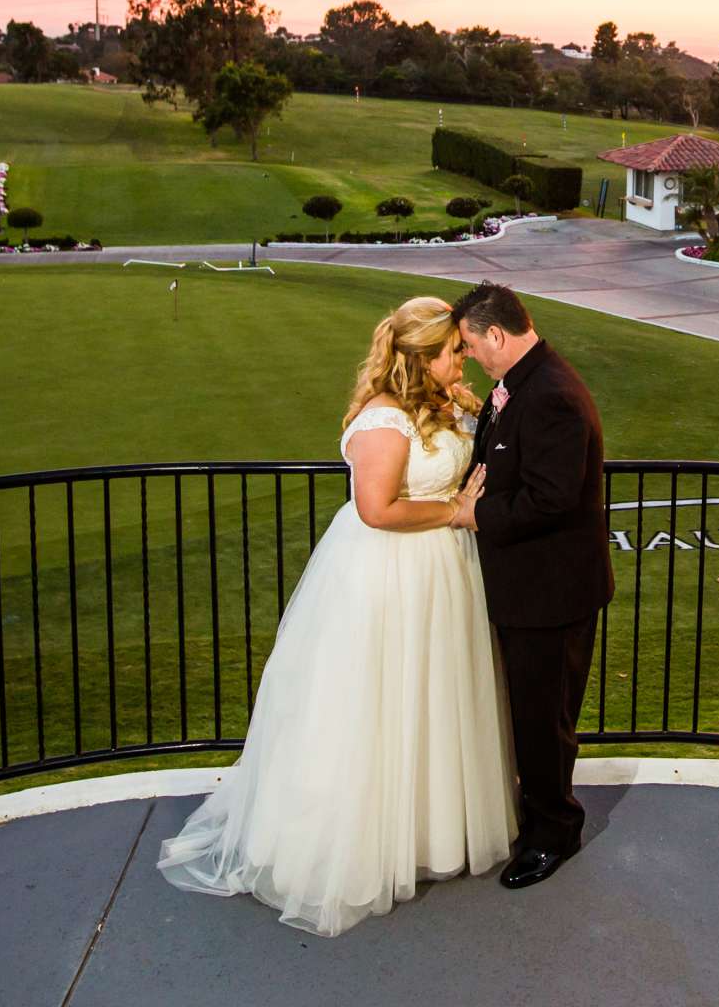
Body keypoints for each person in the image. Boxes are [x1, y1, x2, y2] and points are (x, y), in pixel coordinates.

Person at [155, 295, 514, 935]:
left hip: (444, 571)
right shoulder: (383, 419)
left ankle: (426, 832)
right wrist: (456, 511)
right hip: (389, 572)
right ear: (423, 356)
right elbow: (377, 509)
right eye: (454, 350)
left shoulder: (448, 404)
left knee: (431, 698)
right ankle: (351, 843)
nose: (463, 357)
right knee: (375, 702)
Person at [449, 281, 615, 889]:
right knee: (532, 714)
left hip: (552, 594)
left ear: (497, 333)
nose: (471, 357)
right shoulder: (525, 384)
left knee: (545, 722)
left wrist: (476, 515)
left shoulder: (551, 396)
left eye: (472, 345)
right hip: (534, 589)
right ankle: (540, 815)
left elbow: (551, 500)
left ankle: (554, 834)